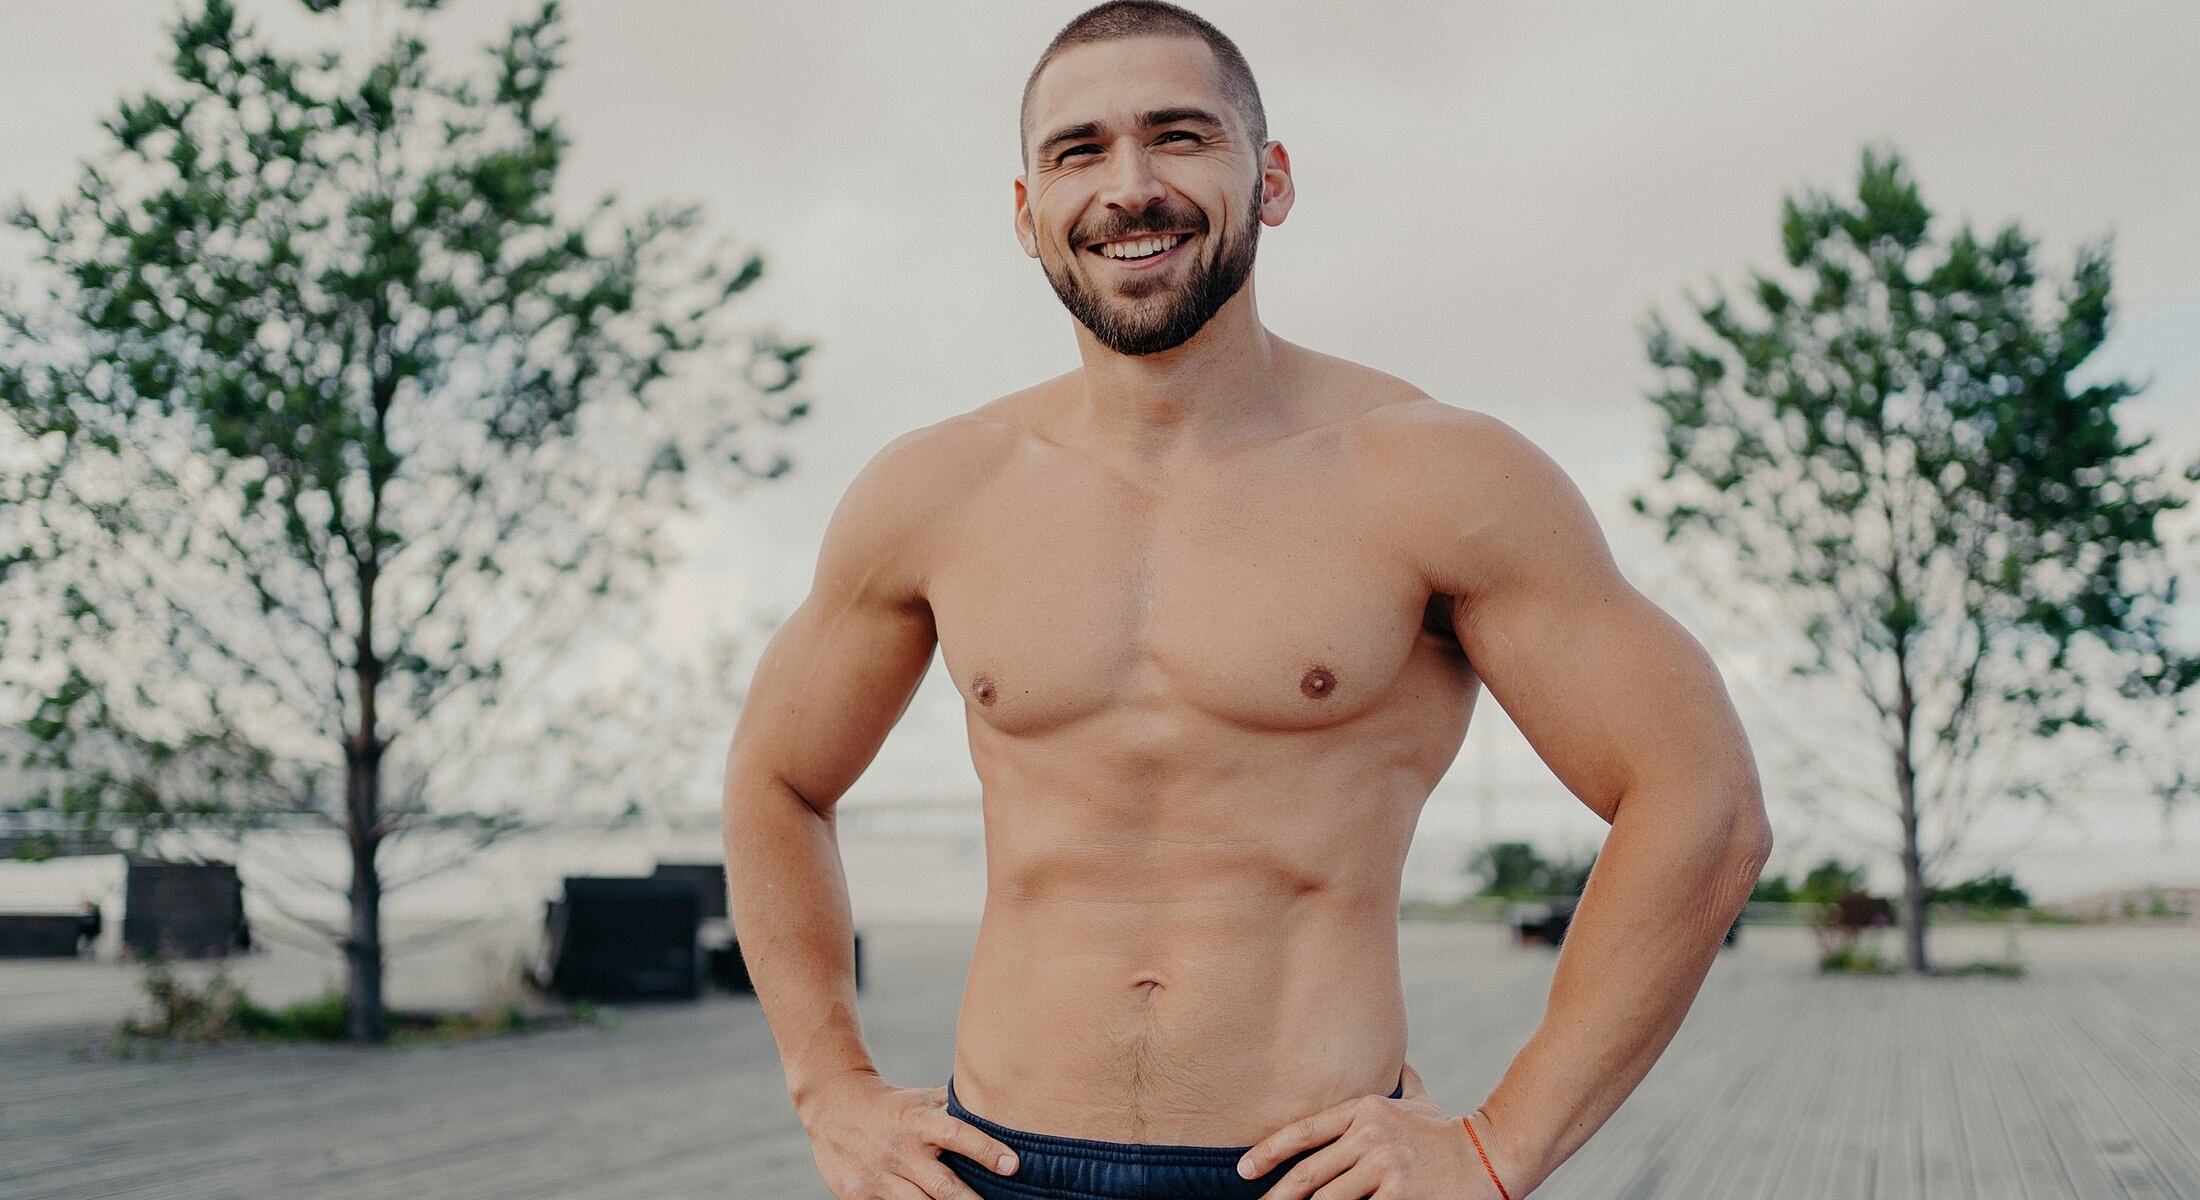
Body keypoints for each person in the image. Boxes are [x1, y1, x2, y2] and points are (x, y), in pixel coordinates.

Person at [722, 4, 1773, 1197]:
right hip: (991, 1166)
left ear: (1267, 180)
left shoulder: (1435, 477)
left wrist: (1497, 1144)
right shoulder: (936, 489)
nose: (1129, 187)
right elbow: (776, 779)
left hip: (1311, 1174)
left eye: (1179, 136)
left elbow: (1702, 801)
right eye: (1078, 151)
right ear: (1027, 215)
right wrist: (831, 1090)